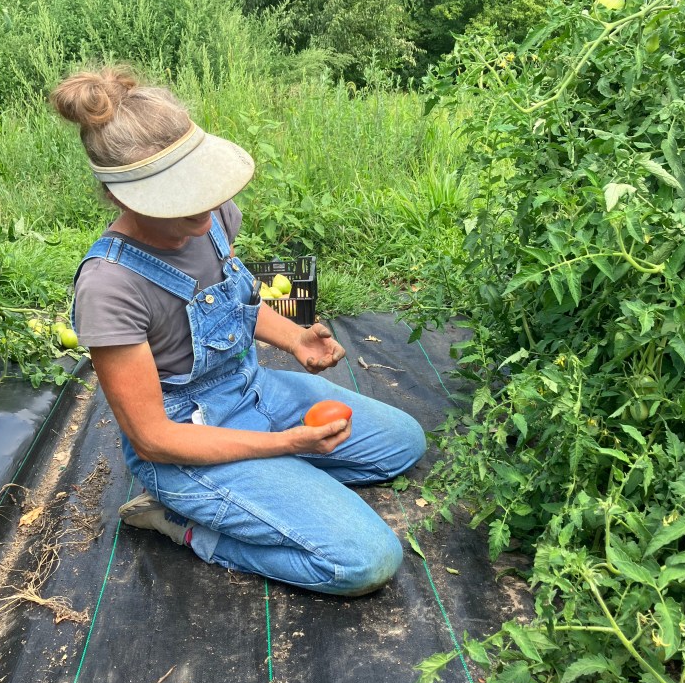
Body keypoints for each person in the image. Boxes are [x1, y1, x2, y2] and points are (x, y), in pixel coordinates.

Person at [52, 66, 427, 596]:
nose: (206, 219)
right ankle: (183, 524)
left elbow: (236, 298)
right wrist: (283, 444)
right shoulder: (110, 286)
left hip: (254, 391)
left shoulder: (213, 218)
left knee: (402, 445)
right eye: (183, 205)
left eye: (206, 195)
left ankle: (271, 488)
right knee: (365, 562)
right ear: (122, 198)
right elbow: (153, 438)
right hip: (184, 444)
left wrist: (294, 338)